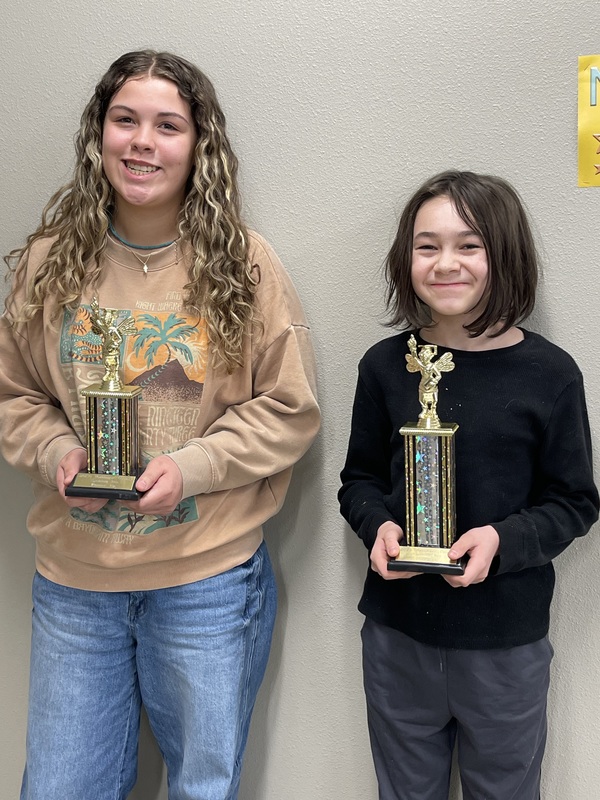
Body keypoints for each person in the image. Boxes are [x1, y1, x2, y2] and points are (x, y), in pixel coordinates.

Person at [0, 50, 320, 800]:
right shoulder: (47, 264)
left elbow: (289, 409)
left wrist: (193, 468)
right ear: (98, 135)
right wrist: (55, 454)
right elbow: (14, 395)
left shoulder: (243, 265)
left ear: (198, 145)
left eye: (167, 125)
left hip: (205, 580)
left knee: (201, 791)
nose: (143, 141)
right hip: (76, 584)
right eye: (125, 120)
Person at [339, 170, 598, 800]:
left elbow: (575, 502)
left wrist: (502, 543)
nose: (446, 263)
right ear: (406, 258)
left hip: (504, 642)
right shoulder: (384, 366)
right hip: (398, 634)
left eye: (469, 245)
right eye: (427, 246)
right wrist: (378, 528)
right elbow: (359, 480)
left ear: (503, 255)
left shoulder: (551, 374)